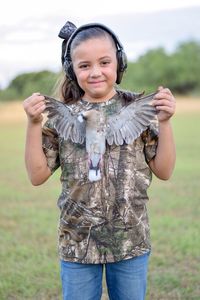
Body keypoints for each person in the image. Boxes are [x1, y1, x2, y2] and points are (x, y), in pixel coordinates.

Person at [23, 21, 176, 300]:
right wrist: (34, 124)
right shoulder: (61, 115)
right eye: (84, 65)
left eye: (104, 62)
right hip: (77, 242)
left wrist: (165, 123)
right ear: (72, 70)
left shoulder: (139, 109)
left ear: (119, 62)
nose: (95, 72)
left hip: (130, 241)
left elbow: (164, 171)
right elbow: (36, 175)